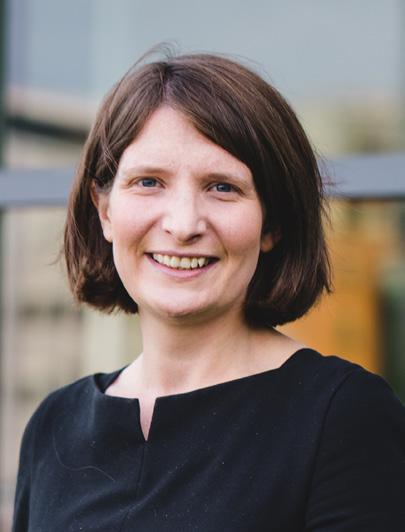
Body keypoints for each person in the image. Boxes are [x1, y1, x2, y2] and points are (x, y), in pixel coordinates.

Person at [13, 51, 405, 531]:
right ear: (105, 210)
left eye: (222, 187)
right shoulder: (54, 426)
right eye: (149, 182)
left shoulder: (341, 417)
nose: (183, 225)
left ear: (272, 225)